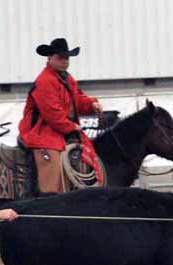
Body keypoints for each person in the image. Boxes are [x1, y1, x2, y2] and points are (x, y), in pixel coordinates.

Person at [18, 37, 103, 194]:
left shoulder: (66, 78)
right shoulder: (45, 81)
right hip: (42, 134)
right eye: (60, 58)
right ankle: (48, 199)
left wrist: (91, 104)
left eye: (66, 58)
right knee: (52, 175)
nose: (65, 61)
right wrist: (71, 127)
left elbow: (77, 98)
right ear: (50, 58)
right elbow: (53, 114)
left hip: (59, 133)